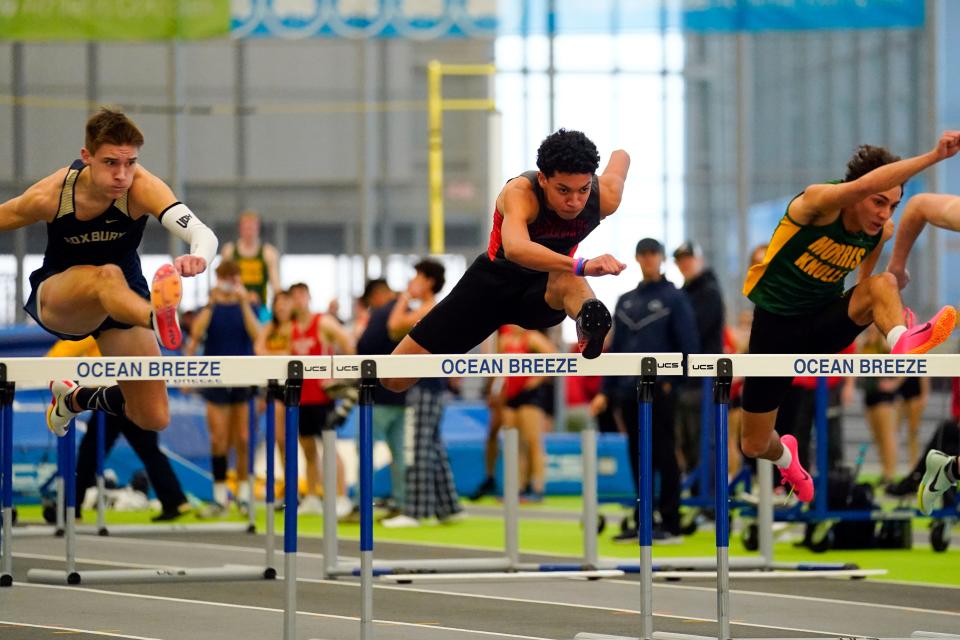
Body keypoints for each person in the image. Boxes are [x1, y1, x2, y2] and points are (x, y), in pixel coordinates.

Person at [740, 134, 960, 503]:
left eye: (893, 206)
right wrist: (935, 156)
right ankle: (789, 459)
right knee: (754, 442)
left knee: (882, 284)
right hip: (775, 328)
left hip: (823, 323)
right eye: (878, 202)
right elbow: (862, 186)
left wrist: (883, 315)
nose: (884, 215)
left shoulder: (878, 232)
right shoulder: (818, 203)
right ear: (857, 191)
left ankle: (903, 342)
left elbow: (866, 287)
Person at [0, 108, 217, 438]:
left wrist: (198, 258)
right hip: (63, 296)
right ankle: (156, 318)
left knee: (153, 416)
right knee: (106, 275)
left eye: (130, 163)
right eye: (111, 163)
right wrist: (150, 316)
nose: (122, 175)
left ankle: (75, 398)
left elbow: (203, 234)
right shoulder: (52, 195)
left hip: (124, 301)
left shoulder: (142, 188)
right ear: (86, 156)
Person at [381, 129, 630, 392]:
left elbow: (622, 156)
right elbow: (516, 248)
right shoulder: (521, 192)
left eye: (583, 189)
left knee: (565, 274)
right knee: (394, 378)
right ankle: (582, 299)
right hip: (489, 287)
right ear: (543, 179)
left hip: (542, 291)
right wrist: (583, 265)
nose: (575, 201)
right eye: (563, 190)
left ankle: (589, 319)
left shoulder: (606, 197)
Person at [591, 238, 699, 543]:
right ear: (637, 258)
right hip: (629, 391)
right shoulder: (625, 300)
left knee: (665, 454)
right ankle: (644, 520)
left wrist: (672, 382)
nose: (649, 259)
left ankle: (671, 522)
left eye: (654, 254)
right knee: (638, 455)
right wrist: (606, 392)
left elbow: (689, 346)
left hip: (662, 392)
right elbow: (616, 351)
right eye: (644, 254)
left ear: (661, 258)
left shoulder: (675, 298)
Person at [48, 337, 191, 522]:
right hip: (133, 392)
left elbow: (63, 351)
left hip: (109, 397)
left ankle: (70, 507)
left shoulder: (95, 321)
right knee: (149, 451)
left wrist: (45, 365)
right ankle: (175, 499)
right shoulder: (132, 323)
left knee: (89, 454)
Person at [380, 260, 464, 528]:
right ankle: (449, 507)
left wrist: (404, 296)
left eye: (416, 276)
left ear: (428, 281)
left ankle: (416, 511)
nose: (411, 281)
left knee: (417, 446)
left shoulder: (431, 307)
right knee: (433, 445)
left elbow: (393, 326)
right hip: (430, 384)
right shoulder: (434, 307)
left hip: (426, 385)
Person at [186, 260, 260, 512]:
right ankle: (219, 496)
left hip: (242, 376)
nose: (229, 282)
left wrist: (243, 302)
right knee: (218, 439)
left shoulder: (249, 305)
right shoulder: (209, 305)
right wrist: (211, 302)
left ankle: (244, 494)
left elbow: (256, 334)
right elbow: (196, 334)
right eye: (224, 277)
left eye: (233, 277)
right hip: (215, 378)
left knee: (242, 437)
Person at [288, 282, 355, 517]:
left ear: (308, 296)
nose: (297, 300)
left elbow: (347, 340)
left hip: (322, 396)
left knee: (329, 446)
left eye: (301, 295)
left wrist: (342, 374)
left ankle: (341, 496)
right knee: (307, 449)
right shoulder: (291, 328)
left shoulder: (323, 322)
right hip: (301, 396)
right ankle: (313, 496)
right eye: (293, 296)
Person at [353, 278, 409, 515]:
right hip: (401, 393)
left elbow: (364, 347)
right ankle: (401, 502)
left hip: (377, 394)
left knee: (365, 448)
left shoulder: (382, 313)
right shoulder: (406, 311)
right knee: (398, 452)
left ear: (376, 295)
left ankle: (361, 503)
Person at [672, 240, 725, 477]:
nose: (685, 264)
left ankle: (710, 501)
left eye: (689, 259)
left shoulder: (708, 292)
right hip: (688, 379)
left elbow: (691, 332)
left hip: (703, 379)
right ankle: (702, 497)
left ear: (699, 260)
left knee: (705, 441)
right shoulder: (684, 293)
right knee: (691, 443)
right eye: (681, 260)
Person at [220, 210, 281, 314]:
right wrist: (244, 296)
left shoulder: (269, 253)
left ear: (258, 228)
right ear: (240, 229)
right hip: (233, 306)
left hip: (259, 308)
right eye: (246, 227)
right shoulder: (229, 251)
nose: (249, 231)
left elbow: (276, 287)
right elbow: (221, 283)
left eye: (252, 227)